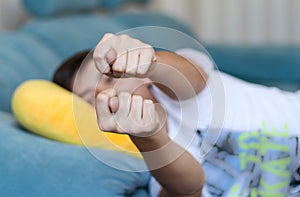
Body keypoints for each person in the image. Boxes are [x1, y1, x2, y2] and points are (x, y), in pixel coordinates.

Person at [53, 33, 300, 197]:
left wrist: (150, 63)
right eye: (90, 98)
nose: (105, 94)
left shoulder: (178, 87)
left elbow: (190, 79)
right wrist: (150, 137)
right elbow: (189, 189)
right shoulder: (146, 160)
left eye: (108, 77)